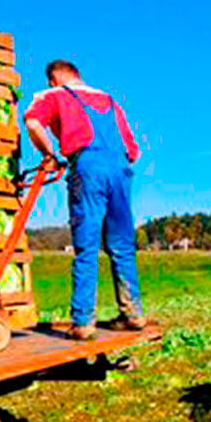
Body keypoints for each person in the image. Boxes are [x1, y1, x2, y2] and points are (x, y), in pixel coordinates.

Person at [24, 60, 146, 340]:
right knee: (122, 246)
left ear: (54, 79)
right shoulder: (110, 101)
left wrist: (48, 154)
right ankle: (133, 314)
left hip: (88, 166)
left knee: (86, 245)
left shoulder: (55, 95)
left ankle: (83, 322)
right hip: (120, 170)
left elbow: (32, 122)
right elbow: (133, 150)